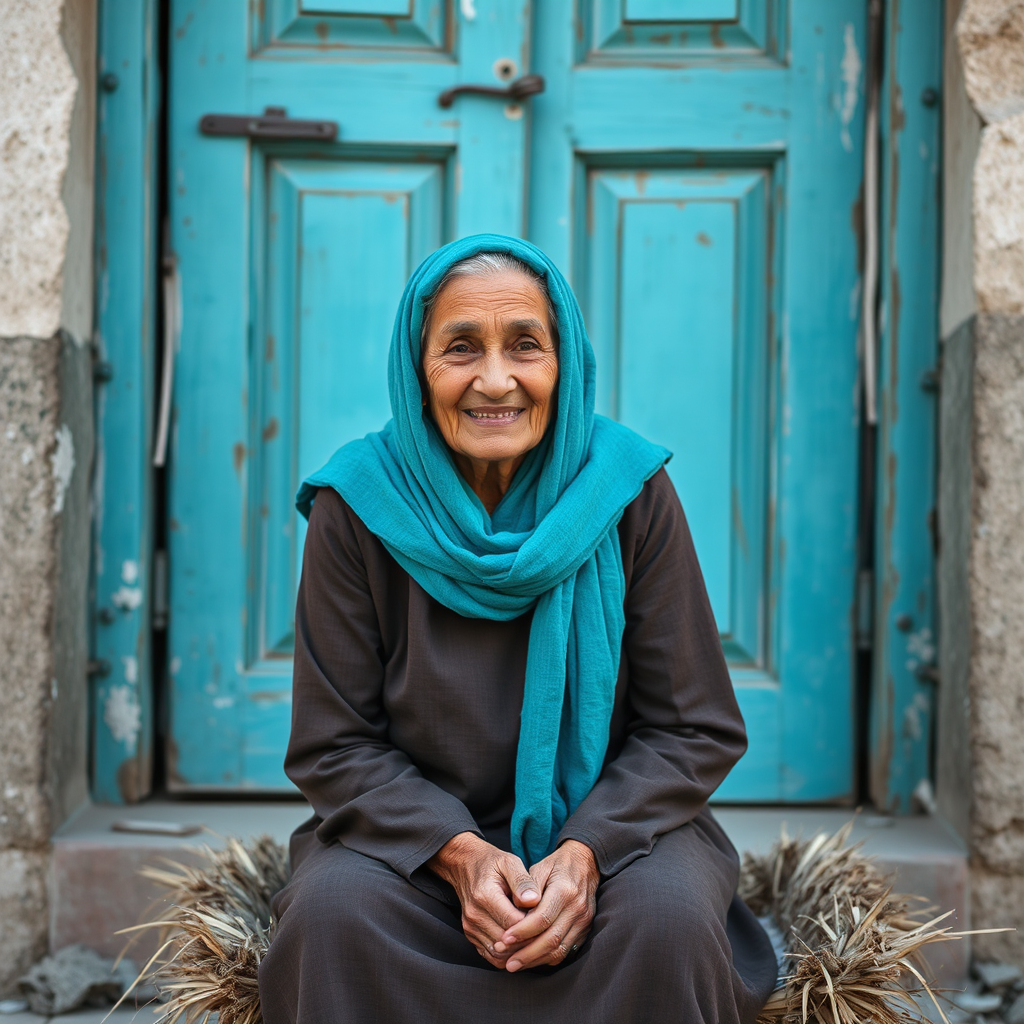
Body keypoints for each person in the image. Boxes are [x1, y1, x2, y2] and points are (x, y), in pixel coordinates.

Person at [257, 234, 778, 1023]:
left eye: (525, 345)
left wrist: (585, 854)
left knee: (666, 925)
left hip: (617, 836)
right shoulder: (355, 504)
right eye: (460, 347)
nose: (494, 379)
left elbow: (692, 727)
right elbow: (334, 743)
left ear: (562, 363)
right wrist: (460, 856)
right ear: (415, 365)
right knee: (332, 921)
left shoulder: (629, 492)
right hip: (414, 849)